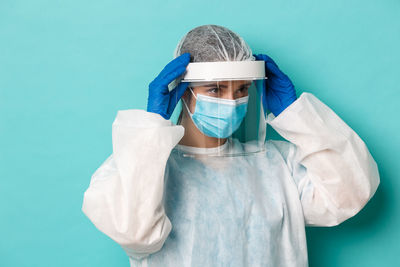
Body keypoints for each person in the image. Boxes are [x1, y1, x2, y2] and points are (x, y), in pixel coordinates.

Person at [82, 25, 380, 267]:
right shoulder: (141, 168)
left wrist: (297, 115)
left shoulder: (278, 165)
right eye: (215, 88)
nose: (231, 101)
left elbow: (351, 193)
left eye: (241, 89)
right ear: (184, 91)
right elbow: (135, 234)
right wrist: (150, 130)